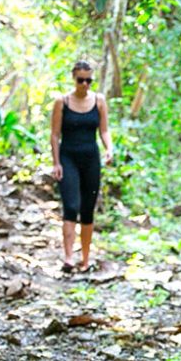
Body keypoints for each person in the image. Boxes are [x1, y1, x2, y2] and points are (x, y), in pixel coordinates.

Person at [50, 61, 112, 273]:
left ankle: (85, 259)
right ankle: (68, 258)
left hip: (91, 158)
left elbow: (104, 130)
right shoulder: (62, 102)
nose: (84, 84)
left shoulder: (99, 101)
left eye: (88, 80)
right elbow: (55, 134)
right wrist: (56, 162)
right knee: (71, 206)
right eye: (80, 80)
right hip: (68, 158)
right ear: (74, 78)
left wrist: (109, 149)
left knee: (87, 209)